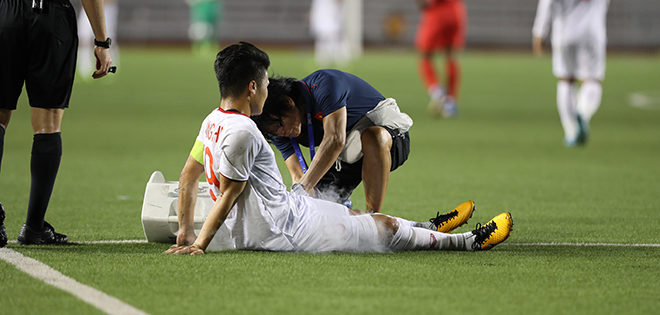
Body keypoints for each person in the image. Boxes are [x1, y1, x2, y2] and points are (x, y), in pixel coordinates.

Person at [166, 42, 513, 256]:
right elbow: (229, 194)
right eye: (266, 82)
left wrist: (186, 230)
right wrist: (198, 244)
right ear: (252, 87)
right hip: (288, 228)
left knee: (359, 217)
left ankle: (428, 225)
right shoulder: (247, 130)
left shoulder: (213, 120)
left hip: (277, 221)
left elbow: (187, 176)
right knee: (382, 230)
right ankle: (468, 241)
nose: (268, 88)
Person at [0, 0, 114, 247]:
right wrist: (102, 42)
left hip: (4, 13)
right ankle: (34, 227)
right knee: (48, 121)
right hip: (50, 16)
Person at [252, 70, 413, 214]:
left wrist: (304, 187)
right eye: (274, 132)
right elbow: (299, 175)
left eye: (280, 124)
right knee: (314, 209)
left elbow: (335, 139)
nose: (281, 133)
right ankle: (357, 220)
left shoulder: (324, 85)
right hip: (345, 155)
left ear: (289, 102)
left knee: (373, 136)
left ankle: (374, 216)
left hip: (389, 136)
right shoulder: (277, 129)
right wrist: (307, 198)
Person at [532, 0, 610, 147]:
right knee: (592, 79)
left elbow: (547, 2)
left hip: (565, 31)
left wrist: (539, 32)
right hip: (592, 30)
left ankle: (571, 131)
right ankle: (583, 113)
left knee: (566, 80)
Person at [415, 0, 467, 118]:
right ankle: (450, 102)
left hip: (437, 14)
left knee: (425, 55)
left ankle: (437, 91)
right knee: (451, 56)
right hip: (456, 12)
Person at [77, 0, 118, 80]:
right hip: (90, 6)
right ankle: (85, 67)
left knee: (110, 38)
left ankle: (110, 66)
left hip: (107, 7)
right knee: (84, 37)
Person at [309, 0, 349, 67]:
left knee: (333, 40)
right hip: (321, 21)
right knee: (323, 41)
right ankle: (325, 59)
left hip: (330, 21)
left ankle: (339, 58)